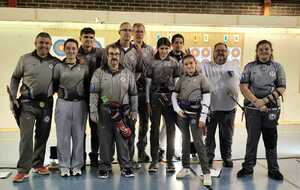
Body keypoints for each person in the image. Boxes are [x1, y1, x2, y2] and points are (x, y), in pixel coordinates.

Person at [10, 32, 60, 182]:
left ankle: (38, 164)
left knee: (42, 135)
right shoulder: (25, 59)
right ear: (35, 43)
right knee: (26, 137)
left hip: (46, 104)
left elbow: (59, 82)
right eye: (41, 42)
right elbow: (15, 78)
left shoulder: (56, 62)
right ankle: (23, 170)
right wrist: (13, 99)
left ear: (51, 45)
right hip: (27, 104)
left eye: (46, 43)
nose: (43, 45)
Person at [237, 40, 286, 180]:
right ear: (256, 52)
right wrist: (256, 102)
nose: (264, 52)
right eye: (261, 50)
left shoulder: (278, 67)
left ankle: (273, 169)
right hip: (252, 109)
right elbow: (243, 87)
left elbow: (281, 87)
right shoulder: (249, 67)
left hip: (271, 109)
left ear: (271, 51)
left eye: (266, 49)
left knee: (271, 139)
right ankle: (247, 167)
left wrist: (264, 101)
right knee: (252, 139)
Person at [89, 43, 138, 179]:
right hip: (105, 111)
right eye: (111, 54)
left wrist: (134, 110)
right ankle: (105, 166)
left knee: (123, 139)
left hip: (123, 112)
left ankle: (126, 167)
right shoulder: (99, 73)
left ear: (120, 56)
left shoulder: (127, 73)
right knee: (104, 140)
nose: (114, 57)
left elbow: (133, 93)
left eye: (116, 54)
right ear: (107, 55)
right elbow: (94, 93)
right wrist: (93, 111)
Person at [172, 54, 212, 186]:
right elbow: (174, 95)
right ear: (183, 66)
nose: (189, 66)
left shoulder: (202, 78)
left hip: (196, 116)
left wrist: (203, 117)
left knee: (199, 143)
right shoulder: (181, 79)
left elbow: (206, 98)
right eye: (186, 64)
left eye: (191, 63)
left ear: (195, 64)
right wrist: (178, 109)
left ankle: (206, 173)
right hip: (183, 115)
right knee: (184, 141)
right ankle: (186, 167)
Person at [201, 42, 241, 168]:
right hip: (210, 109)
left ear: (227, 53)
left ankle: (226, 157)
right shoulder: (205, 66)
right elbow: (192, 69)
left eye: (223, 51)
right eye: (217, 50)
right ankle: (209, 157)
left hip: (228, 109)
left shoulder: (234, 66)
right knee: (209, 137)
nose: (220, 53)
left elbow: (243, 82)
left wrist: (234, 89)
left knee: (227, 136)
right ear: (213, 53)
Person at [53, 39, 89, 177]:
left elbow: (87, 86)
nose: (71, 51)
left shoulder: (84, 67)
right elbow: (55, 85)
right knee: (63, 136)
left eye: (73, 48)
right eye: (68, 48)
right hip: (63, 103)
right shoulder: (58, 67)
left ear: (77, 49)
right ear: (64, 49)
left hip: (80, 104)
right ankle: (64, 166)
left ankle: (76, 166)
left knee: (79, 136)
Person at [146, 37, 180, 173]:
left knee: (171, 129)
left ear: (170, 48)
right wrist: (148, 101)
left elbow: (177, 83)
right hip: (155, 98)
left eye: (166, 48)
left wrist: (177, 101)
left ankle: (170, 161)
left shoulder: (174, 62)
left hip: (170, 99)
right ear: (157, 48)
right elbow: (148, 83)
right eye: (162, 48)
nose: (164, 51)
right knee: (154, 129)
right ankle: (154, 160)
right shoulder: (151, 63)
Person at [112, 22, 143, 168]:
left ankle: (129, 160)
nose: (127, 32)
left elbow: (139, 70)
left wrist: (130, 84)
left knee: (130, 127)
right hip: (112, 94)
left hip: (130, 96)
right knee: (113, 127)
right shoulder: (111, 49)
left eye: (129, 30)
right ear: (119, 32)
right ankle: (109, 158)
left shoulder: (136, 51)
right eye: (124, 30)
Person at [77, 27, 105, 167]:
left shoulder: (100, 53)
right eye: (86, 37)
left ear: (94, 40)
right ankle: (79, 158)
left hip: (96, 98)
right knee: (80, 129)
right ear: (80, 38)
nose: (88, 40)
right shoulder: (74, 54)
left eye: (91, 37)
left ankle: (95, 156)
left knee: (96, 129)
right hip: (80, 98)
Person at [132, 23, 155, 163]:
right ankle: (129, 153)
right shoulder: (128, 49)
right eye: (137, 31)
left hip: (145, 92)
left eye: (141, 31)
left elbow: (153, 68)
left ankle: (141, 151)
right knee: (130, 123)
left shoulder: (150, 50)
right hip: (131, 93)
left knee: (144, 124)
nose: (139, 34)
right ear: (133, 33)